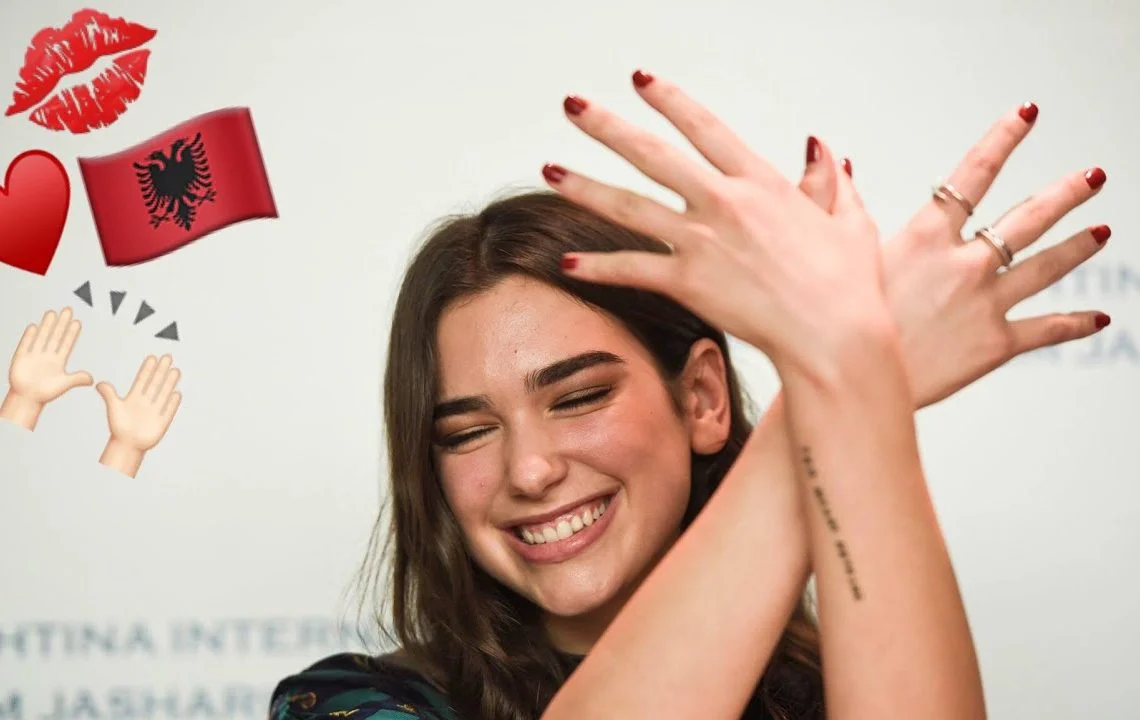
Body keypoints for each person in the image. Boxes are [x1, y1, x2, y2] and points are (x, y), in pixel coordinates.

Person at [269, 71, 1109, 719]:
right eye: (466, 433)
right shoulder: (352, 704)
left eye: (578, 397)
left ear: (703, 397)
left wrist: (845, 368)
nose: (528, 470)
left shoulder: (832, 693)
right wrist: (843, 375)